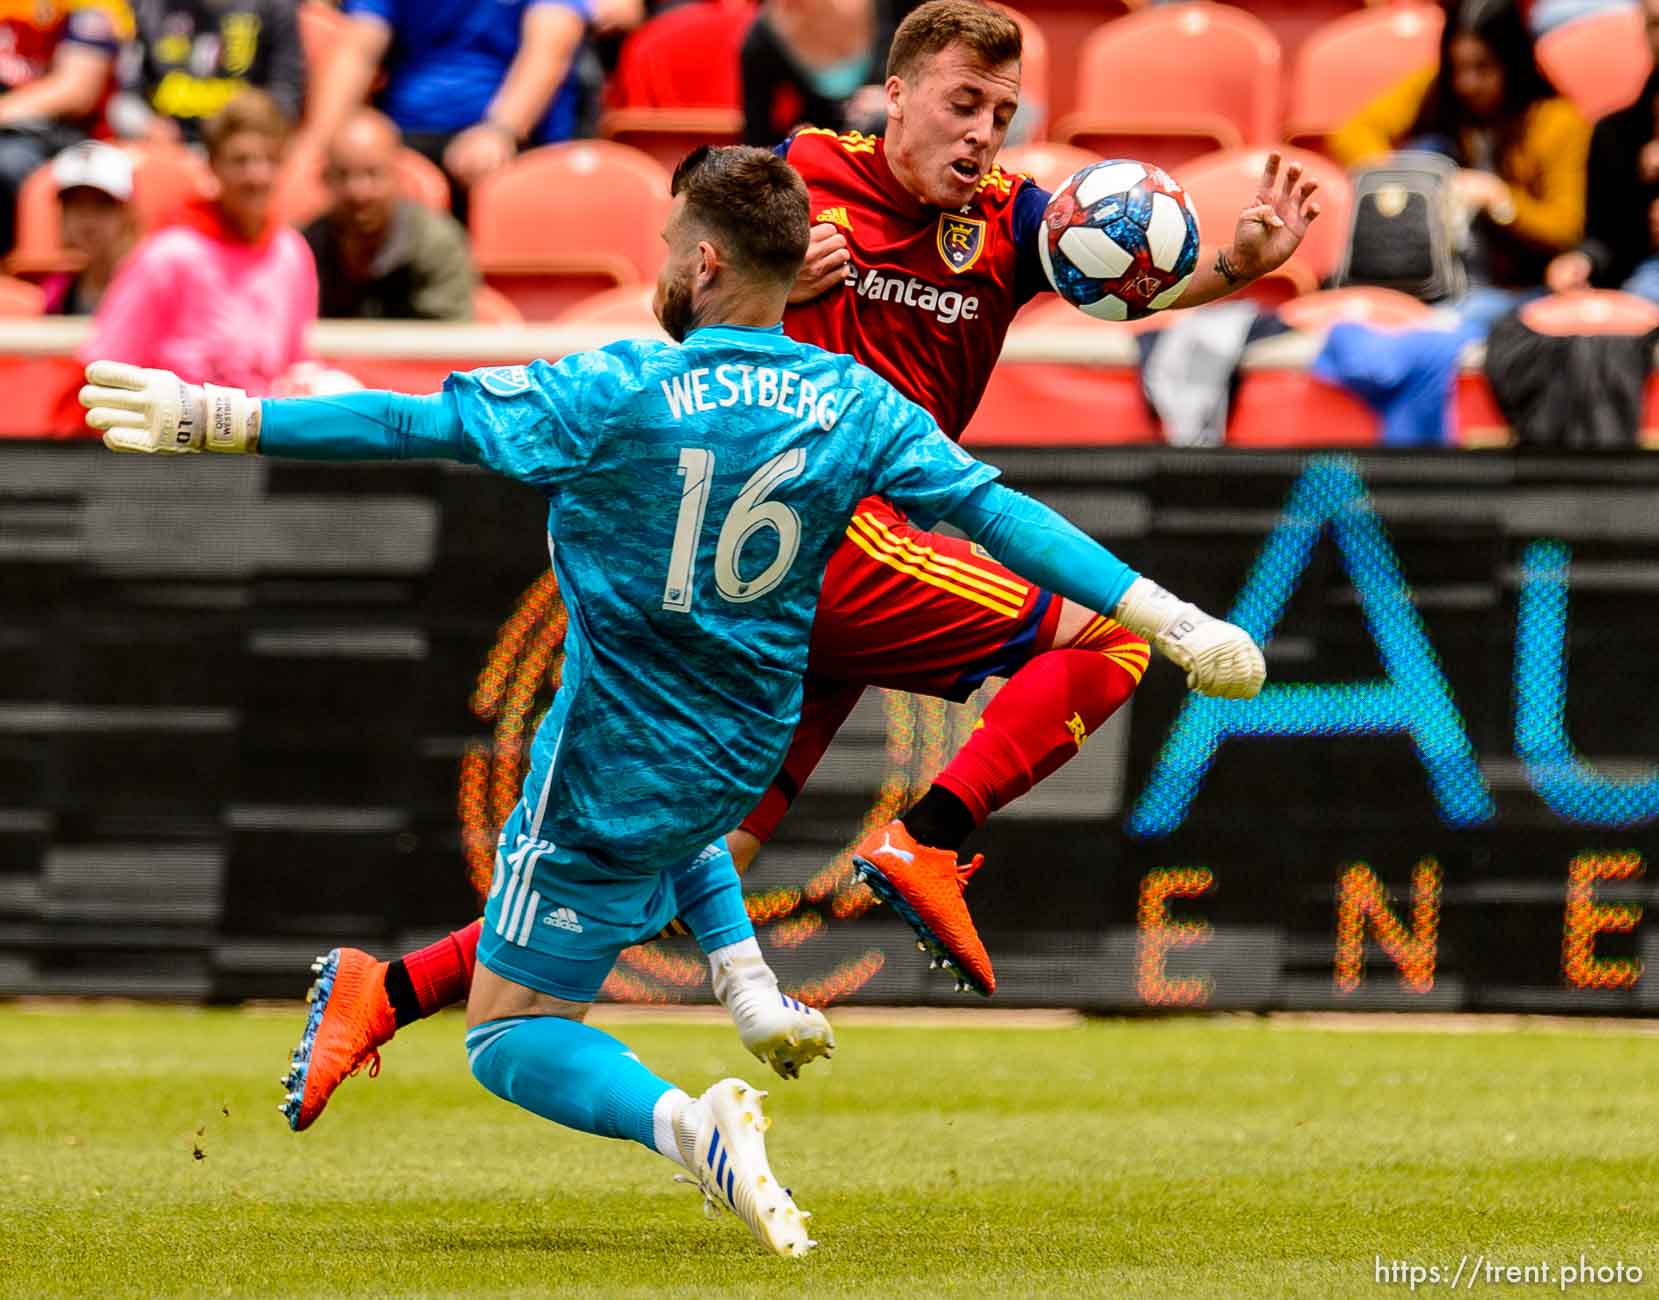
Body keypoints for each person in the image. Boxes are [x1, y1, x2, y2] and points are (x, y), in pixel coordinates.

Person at [78, 143, 1265, 1252]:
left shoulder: (617, 389)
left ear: (703, 261)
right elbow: (996, 511)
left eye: (664, 245)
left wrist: (217, 417)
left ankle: (690, 1125)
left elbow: (414, 419)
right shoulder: (856, 404)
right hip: (739, 743)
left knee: (508, 1035)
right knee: (682, 845)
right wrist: (1168, 614)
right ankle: (738, 985)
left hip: (605, 753)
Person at [286, 0, 1316, 1133]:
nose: (982, 135)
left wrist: (1230, 266)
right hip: (824, 536)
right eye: (964, 104)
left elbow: (1119, 284)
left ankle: (382, 991)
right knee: (1112, 636)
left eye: (1005, 113)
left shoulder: (1017, 219)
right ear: (899, 93)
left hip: (832, 575)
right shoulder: (807, 176)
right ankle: (928, 841)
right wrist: (792, 285)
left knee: (672, 870)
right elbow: (684, 303)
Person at [1330, 0, 1590, 333]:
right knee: (1428, 151)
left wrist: (1501, 202)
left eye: (1483, 68)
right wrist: (1412, 182)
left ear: (1513, 63)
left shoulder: (1557, 121)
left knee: (1451, 322)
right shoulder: (1437, 92)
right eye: (1458, 69)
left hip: (1510, 284)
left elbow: (1566, 228)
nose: (1467, 83)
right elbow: (1355, 134)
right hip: (1424, 269)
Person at [83, 88, 316, 395]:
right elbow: (107, 366)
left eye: (269, 160)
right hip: (175, 435)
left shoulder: (290, 251)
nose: (256, 175)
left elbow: (292, 359)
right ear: (213, 166)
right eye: (241, 160)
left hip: (259, 432)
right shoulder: (170, 254)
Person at [296, 0, 592, 220]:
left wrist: (499, 131)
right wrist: (317, 143)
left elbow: (548, 51)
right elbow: (356, 51)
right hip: (407, 136)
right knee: (353, 173)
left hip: (511, 141)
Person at [303, 108, 476, 321]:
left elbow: (451, 342)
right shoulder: (304, 249)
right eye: (343, 175)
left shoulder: (437, 244)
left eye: (373, 173)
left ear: (397, 176)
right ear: (324, 178)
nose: (359, 192)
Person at [1544, 0, 1659, 304]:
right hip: (1639, 284)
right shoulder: (1616, 134)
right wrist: (1584, 261)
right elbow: (1608, 238)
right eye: (1656, 25)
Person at [0, 0, 133, 255]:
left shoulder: (92, 8)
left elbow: (76, 91)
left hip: (70, 141)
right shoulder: (12, 9)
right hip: (12, 133)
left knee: (8, 162)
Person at [109, 0, 305, 148]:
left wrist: (241, 140)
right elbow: (124, 98)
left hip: (242, 147)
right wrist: (146, 127)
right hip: (166, 146)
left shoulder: (275, 7)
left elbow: (286, 100)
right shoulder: (149, 6)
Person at [741, 0, 919, 145]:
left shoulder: (890, 6)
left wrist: (900, 100)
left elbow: (936, 69)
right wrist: (794, 145)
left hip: (900, 143)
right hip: (823, 165)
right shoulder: (762, 37)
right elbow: (756, 139)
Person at [42, 140, 136, 314]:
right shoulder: (57, 293)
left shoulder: (149, 285)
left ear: (126, 213)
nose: (87, 220)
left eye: (102, 205)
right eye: (75, 205)